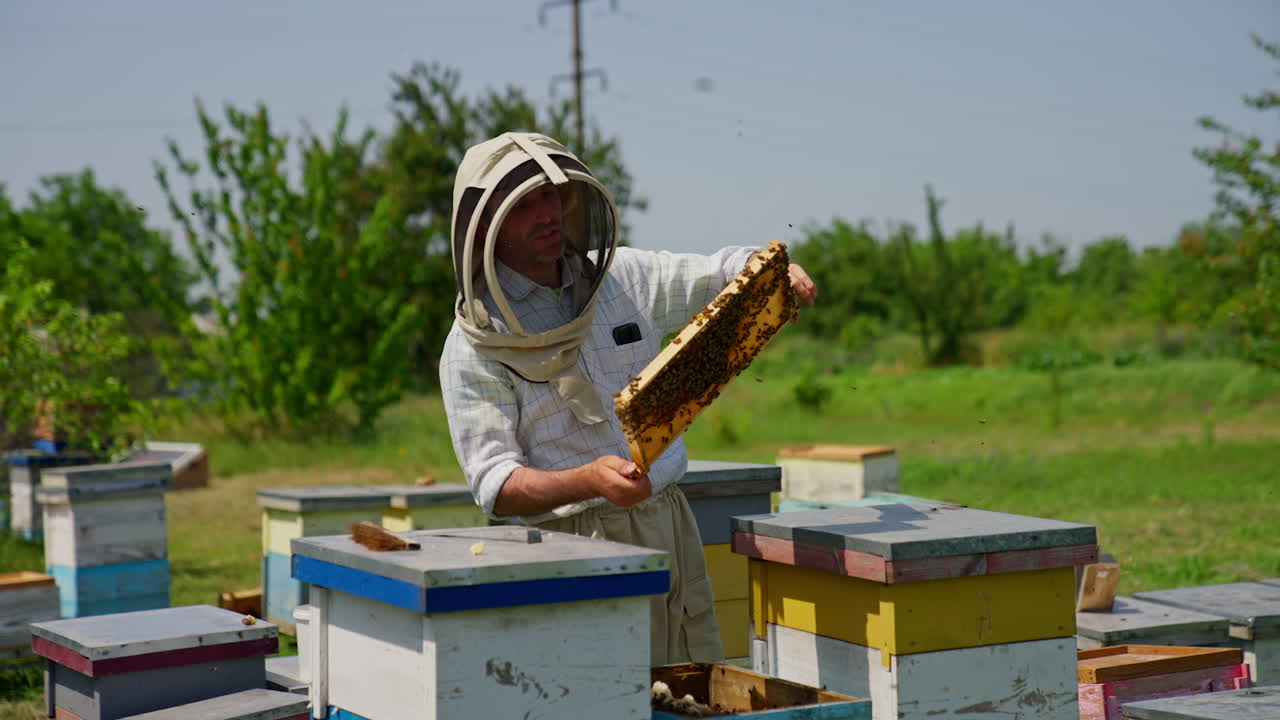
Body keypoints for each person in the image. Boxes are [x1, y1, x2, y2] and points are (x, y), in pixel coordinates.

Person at [440, 132, 816, 665]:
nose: (547, 213)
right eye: (524, 206)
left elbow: (716, 273)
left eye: (550, 195)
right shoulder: (472, 345)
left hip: (669, 521)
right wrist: (587, 479)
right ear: (485, 228)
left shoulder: (622, 278)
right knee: (602, 692)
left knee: (693, 685)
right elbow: (496, 484)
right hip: (568, 545)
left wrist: (767, 267)